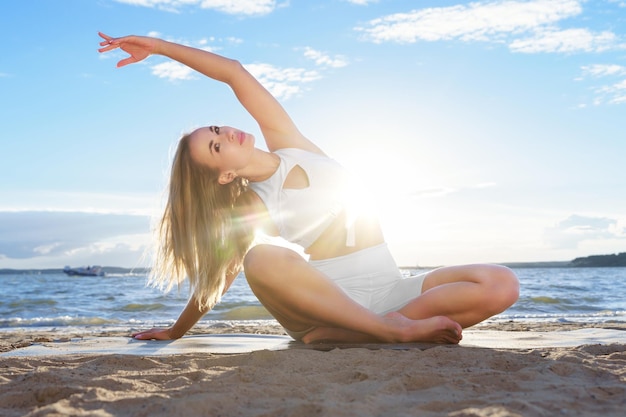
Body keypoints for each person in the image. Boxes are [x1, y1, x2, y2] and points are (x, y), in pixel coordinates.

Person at [98, 32, 519, 344]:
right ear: (224, 175)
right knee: (260, 258)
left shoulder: (290, 143)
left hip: (393, 286)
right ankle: (382, 330)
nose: (226, 133)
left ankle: (358, 333)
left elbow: (233, 72)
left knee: (501, 283)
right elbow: (221, 277)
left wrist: (159, 48)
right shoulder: (254, 205)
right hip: (332, 295)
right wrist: (176, 330)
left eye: (216, 129)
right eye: (215, 146)